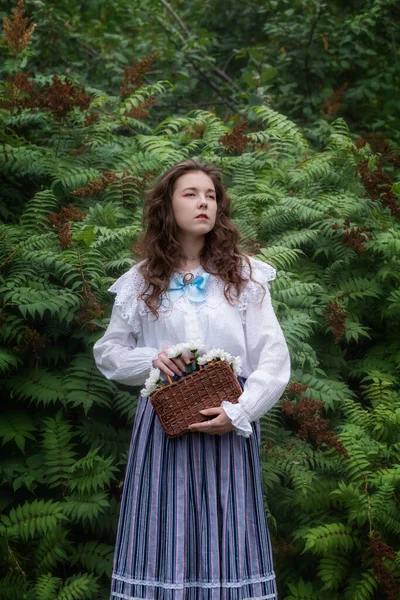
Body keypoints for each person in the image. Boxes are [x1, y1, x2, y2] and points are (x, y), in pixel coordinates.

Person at [93, 158, 290, 600]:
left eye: (211, 196)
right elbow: (109, 353)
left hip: (228, 421)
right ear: (167, 205)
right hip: (164, 430)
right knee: (164, 529)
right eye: (191, 193)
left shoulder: (245, 275)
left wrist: (239, 411)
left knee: (228, 532)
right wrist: (152, 358)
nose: (204, 203)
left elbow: (273, 359)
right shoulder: (141, 281)